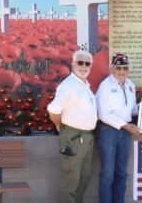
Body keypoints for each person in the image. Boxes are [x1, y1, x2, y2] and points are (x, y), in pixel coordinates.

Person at [47, 50, 97, 203]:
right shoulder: (68, 85)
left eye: (87, 63)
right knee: (70, 181)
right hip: (74, 137)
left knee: (83, 178)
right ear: (73, 64)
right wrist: (59, 124)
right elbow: (53, 109)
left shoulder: (84, 85)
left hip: (87, 137)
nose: (83, 66)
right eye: (80, 63)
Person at [95, 53, 141, 203]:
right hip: (108, 131)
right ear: (112, 68)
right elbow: (103, 114)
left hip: (125, 133)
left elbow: (132, 110)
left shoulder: (130, 85)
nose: (122, 71)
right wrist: (126, 126)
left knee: (122, 173)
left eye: (125, 68)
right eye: (118, 67)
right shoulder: (105, 85)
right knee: (108, 174)